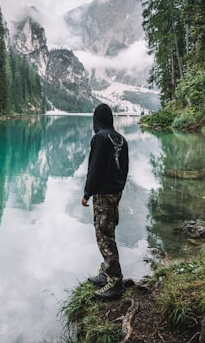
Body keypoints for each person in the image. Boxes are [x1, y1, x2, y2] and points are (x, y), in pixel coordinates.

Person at [82, 103, 129, 300]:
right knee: (108, 230)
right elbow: (124, 168)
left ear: (97, 120)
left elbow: (94, 169)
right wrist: (118, 188)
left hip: (102, 193)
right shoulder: (121, 139)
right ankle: (106, 272)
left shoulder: (99, 139)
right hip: (116, 191)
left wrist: (87, 193)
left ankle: (115, 281)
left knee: (104, 235)